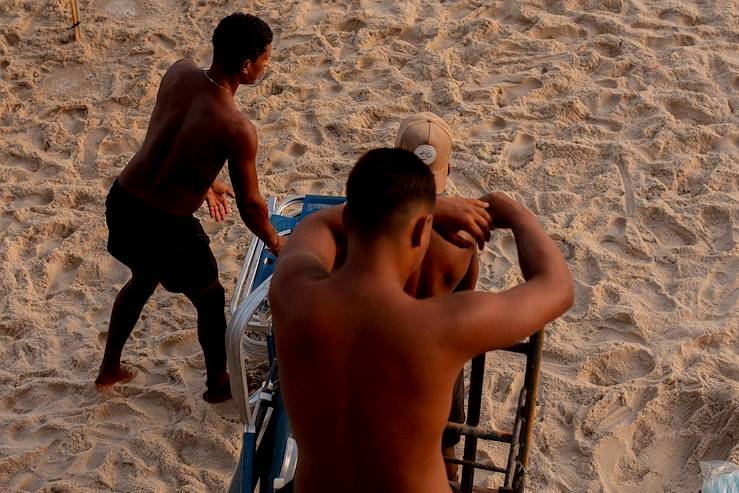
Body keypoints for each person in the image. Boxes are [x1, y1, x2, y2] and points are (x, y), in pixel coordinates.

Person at [269, 148, 574, 493]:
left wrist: (431, 210)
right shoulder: (445, 326)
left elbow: (318, 223)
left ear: (350, 220)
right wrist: (512, 211)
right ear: (421, 232)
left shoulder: (293, 293)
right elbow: (558, 286)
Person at [95, 13, 284, 404]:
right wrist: (275, 241)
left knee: (143, 278)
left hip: (124, 201)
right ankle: (218, 384)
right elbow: (250, 204)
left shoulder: (178, 72)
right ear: (246, 65)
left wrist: (206, 185)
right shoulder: (237, 127)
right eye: (265, 59)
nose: (267, 65)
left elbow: (169, 137)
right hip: (167, 227)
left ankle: (109, 368)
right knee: (210, 297)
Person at [396, 112, 477, 480]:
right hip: (440, 358)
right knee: (446, 442)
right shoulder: (463, 236)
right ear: (449, 168)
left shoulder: (373, 226)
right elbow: (465, 298)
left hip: (390, 354)